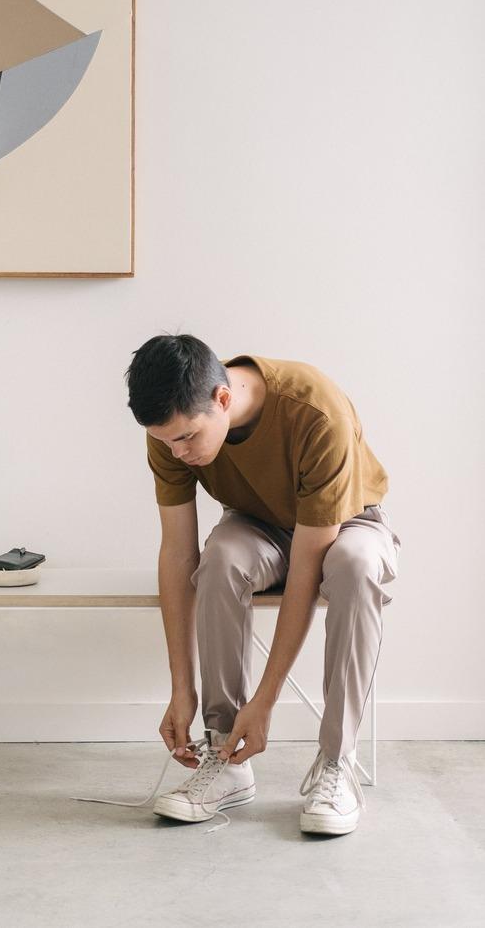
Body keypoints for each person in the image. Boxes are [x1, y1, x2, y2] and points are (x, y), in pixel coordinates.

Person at [124, 333, 402, 836]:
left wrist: (266, 700)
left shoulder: (315, 410)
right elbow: (178, 552)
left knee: (356, 566)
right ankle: (226, 754)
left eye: (186, 438)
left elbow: (308, 565)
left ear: (223, 399)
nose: (177, 451)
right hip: (257, 523)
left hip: (349, 523)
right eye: (165, 441)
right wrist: (180, 688)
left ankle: (336, 763)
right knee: (220, 559)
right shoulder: (170, 423)